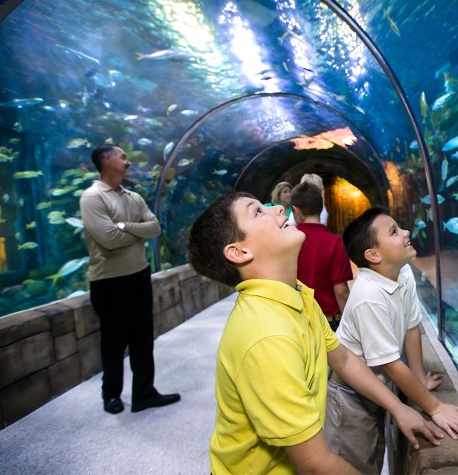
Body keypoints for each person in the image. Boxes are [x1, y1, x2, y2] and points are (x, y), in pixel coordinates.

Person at [187, 193, 444, 475]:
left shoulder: (298, 294)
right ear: (239, 252)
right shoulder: (267, 338)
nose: (278, 209)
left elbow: (343, 359)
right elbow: (314, 464)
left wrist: (398, 408)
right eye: (258, 212)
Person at [325, 207, 458, 474]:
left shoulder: (403, 273)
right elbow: (391, 364)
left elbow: (411, 328)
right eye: (394, 232)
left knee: (376, 451)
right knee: (357, 461)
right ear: (373, 255)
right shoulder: (369, 296)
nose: (406, 232)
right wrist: (436, 407)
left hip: (381, 387)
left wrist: (419, 379)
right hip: (351, 397)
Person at [80, 144, 180, 415]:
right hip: (109, 281)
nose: (127, 161)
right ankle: (110, 395)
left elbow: (155, 227)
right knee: (113, 340)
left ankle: (144, 393)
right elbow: (108, 240)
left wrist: (124, 226)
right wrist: (137, 232)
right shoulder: (92, 197)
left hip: (139, 274)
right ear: (107, 160)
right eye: (123, 156)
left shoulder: (133, 197)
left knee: (143, 338)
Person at [290, 181, 352, 331]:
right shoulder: (335, 243)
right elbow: (341, 291)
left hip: (300, 322)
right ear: (321, 207)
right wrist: (350, 326)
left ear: (295, 210)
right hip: (330, 322)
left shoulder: (288, 242)